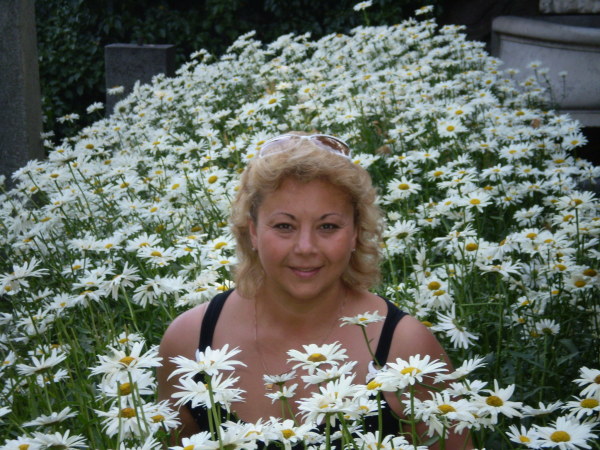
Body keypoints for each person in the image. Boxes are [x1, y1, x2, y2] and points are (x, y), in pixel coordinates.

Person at [157, 133, 471, 447]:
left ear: (355, 233)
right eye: (284, 226)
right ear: (252, 231)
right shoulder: (188, 341)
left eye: (328, 226)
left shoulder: (406, 346)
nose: (305, 247)